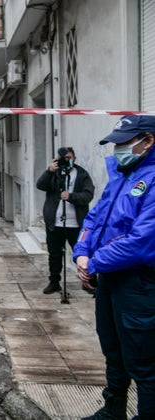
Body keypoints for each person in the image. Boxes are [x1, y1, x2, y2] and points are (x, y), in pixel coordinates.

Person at [74, 115, 155, 420]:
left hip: (140, 284)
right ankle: (113, 411)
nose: (118, 149)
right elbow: (95, 218)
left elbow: (142, 241)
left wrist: (94, 262)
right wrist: (82, 252)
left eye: (124, 142)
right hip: (109, 279)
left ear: (148, 141)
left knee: (144, 363)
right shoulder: (122, 174)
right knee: (114, 352)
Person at [36, 147, 94, 294]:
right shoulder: (54, 174)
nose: (67, 161)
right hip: (55, 224)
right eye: (63, 159)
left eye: (69, 158)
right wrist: (49, 171)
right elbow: (40, 185)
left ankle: (88, 282)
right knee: (54, 254)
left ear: (74, 158)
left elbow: (88, 195)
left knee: (83, 254)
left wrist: (71, 197)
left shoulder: (82, 174)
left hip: (76, 224)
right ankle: (54, 282)